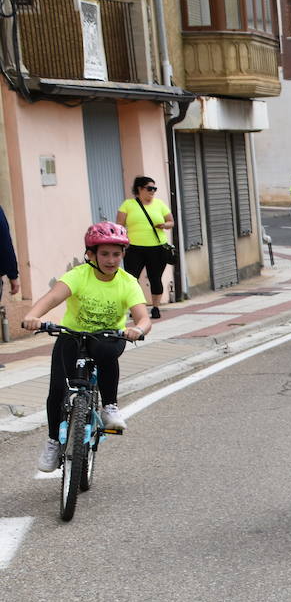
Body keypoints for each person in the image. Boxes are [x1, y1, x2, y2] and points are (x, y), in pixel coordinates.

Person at [22, 222, 151, 471]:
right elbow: (52, 298)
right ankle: (52, 442)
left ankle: (110, 407)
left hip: (108, 337)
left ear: (123, 255)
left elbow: (143, 318)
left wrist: (137, 329)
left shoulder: (127, 282)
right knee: (58, 389)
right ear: (91, 254)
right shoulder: (79, 275)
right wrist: (32, 316)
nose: (111, 260)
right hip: (72, 335)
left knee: (105, 350)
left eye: (116, 254)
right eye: (104, 254)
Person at [116, 177, 174, 320]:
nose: (152, 191)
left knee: (155, 278)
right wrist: (122, 244)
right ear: (139, 189)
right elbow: (120, 226)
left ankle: (155, 307)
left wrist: (164, 225)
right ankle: (135, 308)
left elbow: (171, 221)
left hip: (157, 248)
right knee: (132, 279)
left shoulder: (159, 204)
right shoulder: (128, 205)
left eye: (154, 189)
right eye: (149, 188)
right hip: (134, 248)